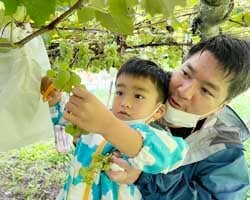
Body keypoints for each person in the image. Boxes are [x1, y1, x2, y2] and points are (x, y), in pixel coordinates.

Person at [64, 35, 250, 199]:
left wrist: (145, 178)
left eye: (205, 90)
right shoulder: (145, 96)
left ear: (220, 107)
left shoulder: (225, 153)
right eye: (185, 73)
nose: (184, 91)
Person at [59, 58, 188, 199]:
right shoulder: (96, 122)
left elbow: (170, 154)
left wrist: (109, 126)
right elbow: (66, 122)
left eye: (138, 96)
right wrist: (55, 103)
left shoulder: (151, 136)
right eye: (120, 93)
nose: (125, 103)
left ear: (158, 111)